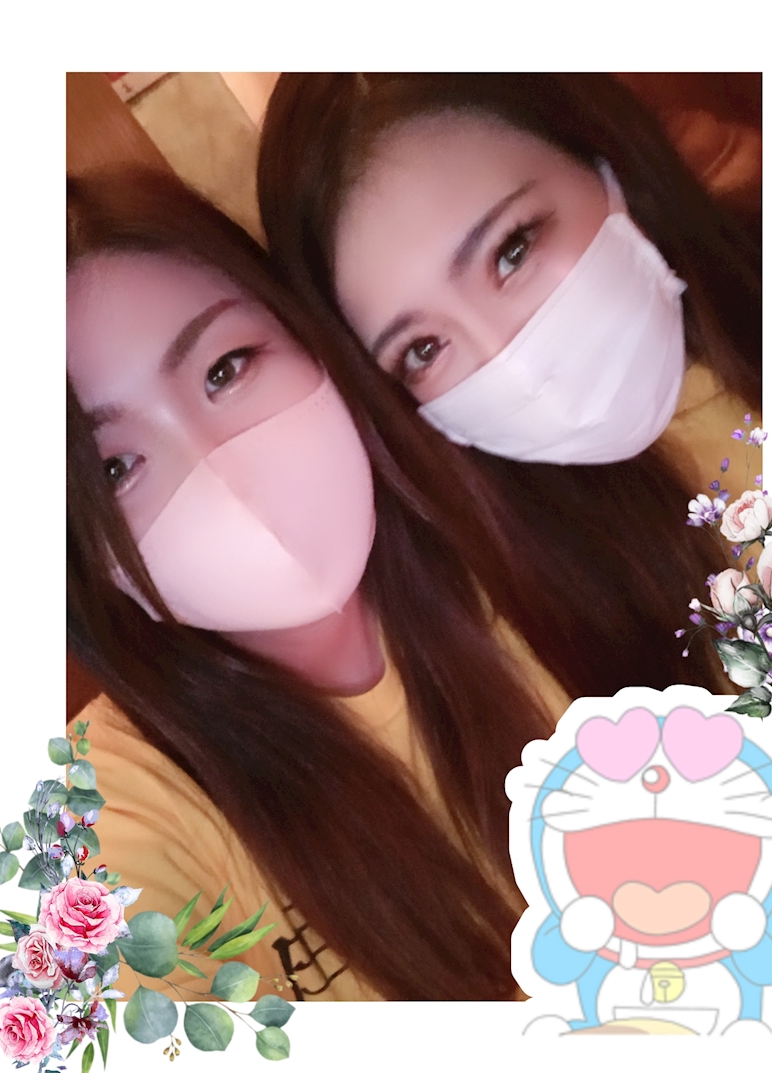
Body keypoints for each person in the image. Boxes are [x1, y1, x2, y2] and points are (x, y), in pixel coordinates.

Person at [67, 166, 577, 1003]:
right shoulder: (98, 824)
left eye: (227, 368)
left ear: (311, 340)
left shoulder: (531, 525)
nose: (222, 471)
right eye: (114, 468)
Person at [254, 72, 761, 694]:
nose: (510, 360)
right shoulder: (513, 627)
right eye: (423, 350)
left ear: (602, 156)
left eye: (512, 249)